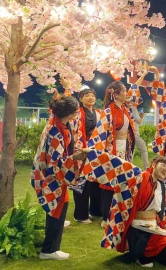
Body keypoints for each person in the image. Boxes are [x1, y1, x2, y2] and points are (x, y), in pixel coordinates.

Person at [82, 150, 166, 268]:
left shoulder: (163, 188)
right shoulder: (138, 177)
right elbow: (116, 163)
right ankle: (142, 256)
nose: (165, 169)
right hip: (137, 229)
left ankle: (143, 255)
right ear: (154, 164)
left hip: (153, 227)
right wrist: (90, 153)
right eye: (163, 165)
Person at [31, 95, 89, 260]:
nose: (76, 114)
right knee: (56, 210)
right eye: (75, 111)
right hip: (53, 177)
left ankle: (51, 248)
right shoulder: (56, 132)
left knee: (59, 209)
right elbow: (55, 162)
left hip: (53, 175)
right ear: (68, 113)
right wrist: (76, 158)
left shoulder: (59, 124)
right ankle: (49, 250)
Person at [88, 79, 138, 226]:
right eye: (124, 91)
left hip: (123, 148)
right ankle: (105, 217)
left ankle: (118, 211)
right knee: (108, 182)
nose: (126, 93)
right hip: (111, 148)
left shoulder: (124, 108)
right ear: (115, 95)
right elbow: (100, 133)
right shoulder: (108, 111)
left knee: (121, 181)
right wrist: (100, 153)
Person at [68, 86, 103, 224]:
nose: (91, 98)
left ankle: (95, 210)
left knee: (96, 181)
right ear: (81, 98)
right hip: (82, 149)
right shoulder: (77, 113)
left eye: (93, 95)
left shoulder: (99, 113)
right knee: (82, 182)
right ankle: (81, 214)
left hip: (96, 150)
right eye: (87, 95)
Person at [130, 103, 150, 169]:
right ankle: (146, 167)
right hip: (134, 133)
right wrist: (142, 116)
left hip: (129, 133)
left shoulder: (126, 108)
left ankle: (129, 167)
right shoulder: (133, 108)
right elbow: (139, 121)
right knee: (143, 149)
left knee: (131, 151)